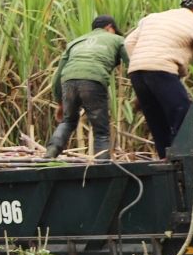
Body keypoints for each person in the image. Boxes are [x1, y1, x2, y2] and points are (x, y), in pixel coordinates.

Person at [124, 0, 193, 158]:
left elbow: (128, 42)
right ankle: (185, 158)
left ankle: (165, 158)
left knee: (156, 120)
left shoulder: (152, 18)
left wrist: (140, 61)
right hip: (161, 70)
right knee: (182, 114)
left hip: (136, 72)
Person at [43, 15, 129, 160]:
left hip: (68, 80)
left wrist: (59, 102)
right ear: (109, 27)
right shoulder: (118, 40)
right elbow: (131, 62)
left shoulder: (75, 42)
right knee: (101, 130)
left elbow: (57, 75)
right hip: (93, 80)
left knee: (68, 121)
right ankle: (103, 165)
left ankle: (50, 153)